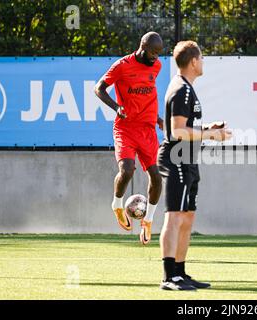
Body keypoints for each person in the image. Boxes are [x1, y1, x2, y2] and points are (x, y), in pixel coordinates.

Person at [157, 40, 232, 290]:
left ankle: (180, 272)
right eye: (201, 58)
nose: (203, 62)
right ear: (193, 62)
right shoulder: (182, 89)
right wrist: (211, 135)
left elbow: (180, 125)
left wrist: (208, 128)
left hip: (188, 158)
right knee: (175, 216)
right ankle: (169, 277)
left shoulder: (186, 87)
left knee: (187, 216)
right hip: (177, 157)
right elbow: (177, 131)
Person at [94, 31, 164, 245]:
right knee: (127, 171)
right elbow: (99, 89)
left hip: (148, 129)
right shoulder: (122, 66)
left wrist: (158, 118)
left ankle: (148, 220)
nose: (155, 57)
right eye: (152, 53)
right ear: (142, 46)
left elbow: (147, 95)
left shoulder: (157, 66)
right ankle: (117, 204)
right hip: (126, 127)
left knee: (156, 176)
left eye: (158, 53)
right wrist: (116, 107)